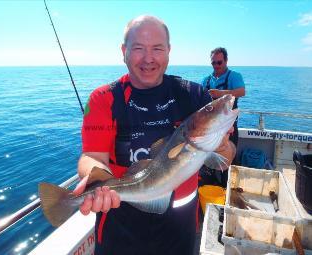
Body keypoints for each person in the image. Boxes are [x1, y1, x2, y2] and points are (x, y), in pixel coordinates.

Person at [73, 15, 235, 255]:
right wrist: (97, 179)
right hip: (119, 228)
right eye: (138, 48)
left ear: (168, 51)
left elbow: (227, 158)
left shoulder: (193, 95)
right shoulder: (103, 99)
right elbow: (91, 156)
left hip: (180, 232)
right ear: (124, 51)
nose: (148, 58)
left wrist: (221, 145)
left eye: (157, 48)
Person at [202, 47, 245, 148]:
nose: (216, 65)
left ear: (226, 61)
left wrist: (219, 94)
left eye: (219, 62)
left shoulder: (234, 76)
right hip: (210, 128)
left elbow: (241, 92)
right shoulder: (206, 80)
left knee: (229, 155)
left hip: (229, 126)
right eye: (213, 63)